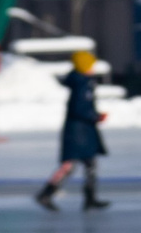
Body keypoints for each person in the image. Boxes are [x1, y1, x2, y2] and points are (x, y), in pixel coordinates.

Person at [35, 48, 110, 212]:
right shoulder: (82, 83)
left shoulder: (83, 82)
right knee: (69, 165)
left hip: (83, 130)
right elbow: (79, 108)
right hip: (77, 132)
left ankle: (90, 198)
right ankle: (46, 193)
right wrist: (95, 116)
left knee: (90, 163)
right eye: (90, 65)